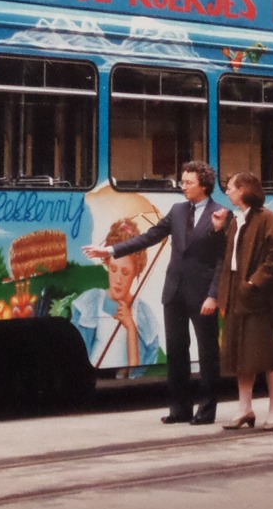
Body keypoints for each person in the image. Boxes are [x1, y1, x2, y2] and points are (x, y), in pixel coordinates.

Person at [84, 161, 226, 424]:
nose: (182, 187)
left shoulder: (220, 214)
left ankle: (206, 411)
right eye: (182, 182)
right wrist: (111, 251)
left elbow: (222, 259)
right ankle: (179, 410)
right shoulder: (178, 210)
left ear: (203, 186)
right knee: (176, 351)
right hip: (174, 292)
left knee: (207, 353)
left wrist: (214, 294)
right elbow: (148, 237)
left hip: (203, 293)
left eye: (188, 183)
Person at [214, 171, 273, 430]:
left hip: (257, 295)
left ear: (245, 189)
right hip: (237, 293)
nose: (228, 192)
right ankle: (244, 408)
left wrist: (254, 282)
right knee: (239, 353)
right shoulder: (236, 220)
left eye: (231, 187)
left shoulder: (265, 218)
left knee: (266, 353)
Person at [69, 217, 163, 374]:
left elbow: (136, 372)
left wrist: (131, 326)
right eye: (113, 269)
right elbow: (75, 357)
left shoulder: (143, 314)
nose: (118, 280)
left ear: (136, 272)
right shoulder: (91, 302)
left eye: (125, 273)